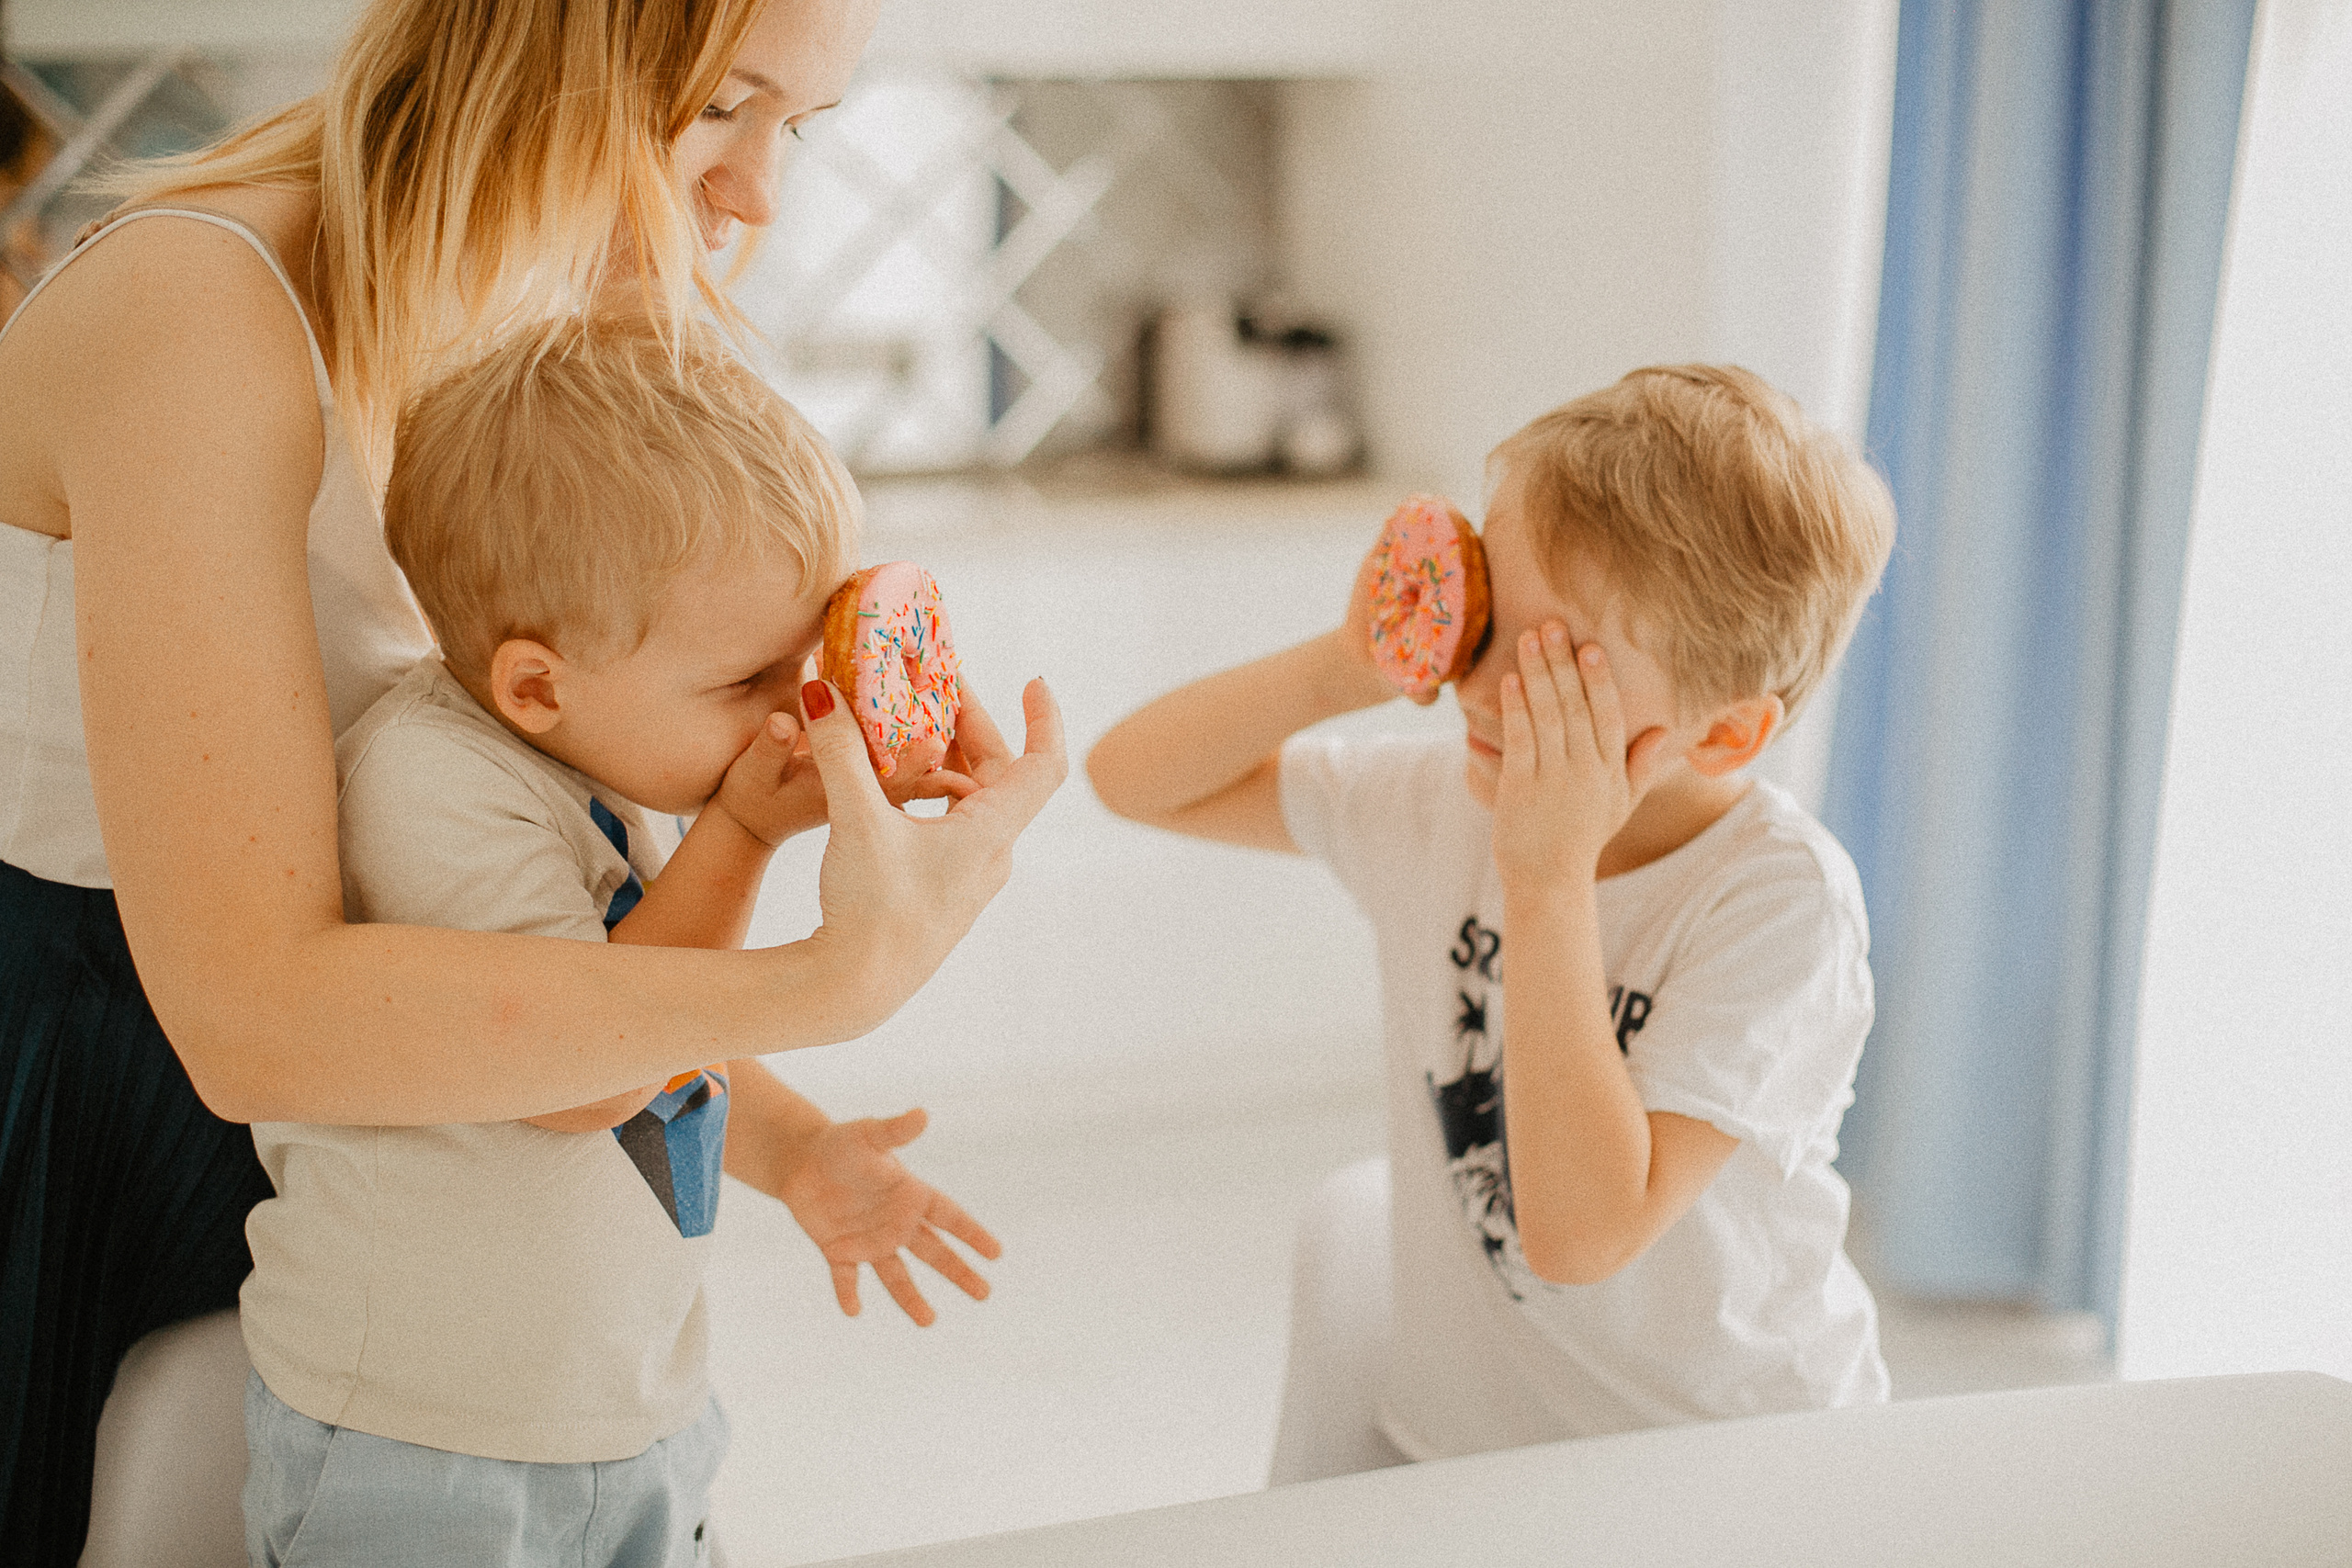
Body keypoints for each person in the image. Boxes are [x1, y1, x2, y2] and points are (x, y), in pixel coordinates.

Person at [0, 1, 1065, 1559]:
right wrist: (833, 977)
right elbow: (250, 1018)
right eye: (723, 107)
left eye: (799, 125)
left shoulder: (546, 338)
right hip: (100, 1093)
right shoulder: (193, 310)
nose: (760, 194)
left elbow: (548, 926)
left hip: (411, 1130)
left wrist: (779, 1111)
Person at [239, 318, 985, 1565]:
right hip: (426, 1435)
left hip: (629, 1408)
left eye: (805, 662)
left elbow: (674, 1039)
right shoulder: (435, 788)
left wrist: (798, 1150)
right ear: (537, 684)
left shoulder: (609, 758)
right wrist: (744, 833)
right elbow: (585, 1071)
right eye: (747, 681)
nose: (794, 714)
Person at [1088, 365, 1895, 1477]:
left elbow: (1580, 1236)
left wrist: (1548, 878)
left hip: (1730, 1460)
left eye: (1554, 670)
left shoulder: (1779, 904)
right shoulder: (1440, 805)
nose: (1476, 691)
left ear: (1721, 736)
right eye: (1485, 628)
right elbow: (1132, 779)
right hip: (1472, 1451)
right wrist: (1345, 666)